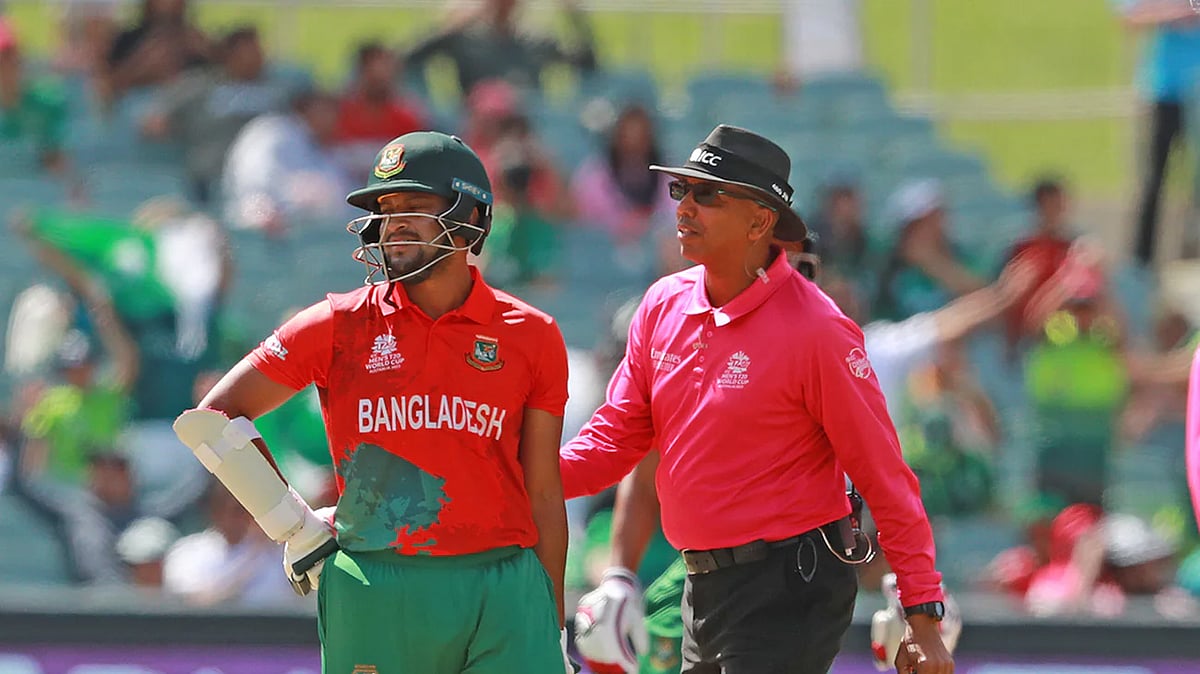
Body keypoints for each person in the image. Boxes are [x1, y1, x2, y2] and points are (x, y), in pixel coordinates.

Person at [558, 124, 954, 674]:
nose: (685, 207)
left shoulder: (818, 330)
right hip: (701, 582)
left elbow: (885, 477)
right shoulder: (660, 307)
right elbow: (613, 441)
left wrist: (923, 614)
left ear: (761, 221)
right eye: (682, 191)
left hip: (791, 585)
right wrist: (515, 478)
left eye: (709, 194)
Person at [173, 131, 573, 673]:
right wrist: (291, 525)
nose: (395, 222)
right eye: (386, 209)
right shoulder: (336, 323)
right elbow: (211, 419)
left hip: (504, 584)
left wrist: (552, 625)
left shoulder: (531, 334)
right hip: (376, 581)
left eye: (415, 206)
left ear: (474, 217)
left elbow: (545, 491)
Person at [1114, 1, 1200, 266]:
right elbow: (1130, 17)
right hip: (1164, 90)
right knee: (1153, 180)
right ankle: (1141, 262)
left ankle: (1192, 253)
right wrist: (1176, 14)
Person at [403, 0, 596, 97]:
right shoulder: (465, 39)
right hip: (478, 122)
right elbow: (409, 58)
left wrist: (574, 15)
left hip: (528, 122)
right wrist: (452, 26)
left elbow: (588, 64)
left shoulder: (536, 40)